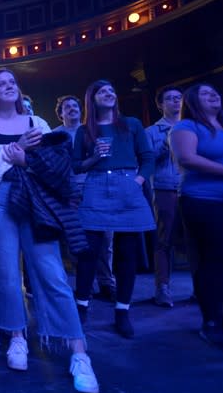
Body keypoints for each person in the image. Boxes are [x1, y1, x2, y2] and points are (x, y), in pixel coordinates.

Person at [0, 69, 99, 393]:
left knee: (52, 273)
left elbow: (56, 167)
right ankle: (16, 337)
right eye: (1, 84)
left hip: (36, 201)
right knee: (6, 275)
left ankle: (79, 353)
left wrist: (25, 158)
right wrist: (13, 150)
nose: (9, 86)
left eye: (12, 82)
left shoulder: (38, 123)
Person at [170, 83, 223, 350]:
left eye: (215, 92)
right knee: (217, 264)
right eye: (205, 94)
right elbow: (187, 159)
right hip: (207, 202)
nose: (213, 95)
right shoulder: (187, 127)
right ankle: (212, 323)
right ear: (193, 102)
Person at [72, 79, 155, 339]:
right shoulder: (84, 130)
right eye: (102, 91)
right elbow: (76, 166)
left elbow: (148, 157)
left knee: (126, 252)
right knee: (89, 251)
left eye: (111, 90)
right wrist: (95, 156)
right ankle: (82, 307)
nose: (109, 93)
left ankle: (122, 311)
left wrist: (138, 181)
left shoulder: (131, 124)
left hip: (127, 184)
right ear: (92, 99)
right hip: (96, 185)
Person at [54, 95, 115, 298]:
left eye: (75, 105)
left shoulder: (94, 131)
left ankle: (106, 283)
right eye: (66, 107)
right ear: (60, 113)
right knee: (76, 242)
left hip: (97, 189)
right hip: (69, 192)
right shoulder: (54, 135)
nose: (72, 108)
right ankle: (84, 285)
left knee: (105, 240)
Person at [145, 86, 184, 307]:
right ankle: (163, 287)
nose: (175, 102)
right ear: (160, 104)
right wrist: (167, 143)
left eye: (178, 98)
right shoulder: (151, 131)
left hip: (192, 188)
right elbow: (148, 162)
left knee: (194, 240)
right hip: (165, 187)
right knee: (164, 240)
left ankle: (200, 289)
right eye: (169, 99)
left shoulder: (193, 127)